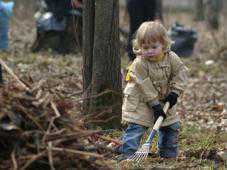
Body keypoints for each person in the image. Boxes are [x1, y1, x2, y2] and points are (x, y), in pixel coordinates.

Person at [115, 21, 188, 160]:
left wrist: (175, 93)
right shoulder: (139, 63)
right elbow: (144, 85)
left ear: (164, 44)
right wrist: (154, 105)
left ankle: (168, 155)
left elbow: (181, 73)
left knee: (171, 126)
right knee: (136, 127)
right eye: (145, 47)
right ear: (140, 46)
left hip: (165, 99)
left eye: (154, 47)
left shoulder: (171, 58)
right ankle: (128, 153)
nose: (149, 51)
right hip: (141, 100)